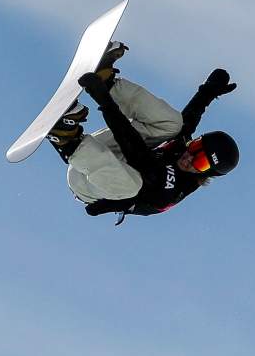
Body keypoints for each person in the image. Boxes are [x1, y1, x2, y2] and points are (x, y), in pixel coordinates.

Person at [46, 42, 240, 222]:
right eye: (196, 146)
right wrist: (208, 92)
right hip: (116, 158)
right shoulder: (182, 151)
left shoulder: (170, 190)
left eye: (201, 161)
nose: (189, 157)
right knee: (174, 125)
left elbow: (136, 151)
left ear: (206, 174)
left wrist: (105, 102)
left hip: (89, 183)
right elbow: (188, 122)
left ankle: (67, 140)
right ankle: (107, 80)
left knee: (133, 184)